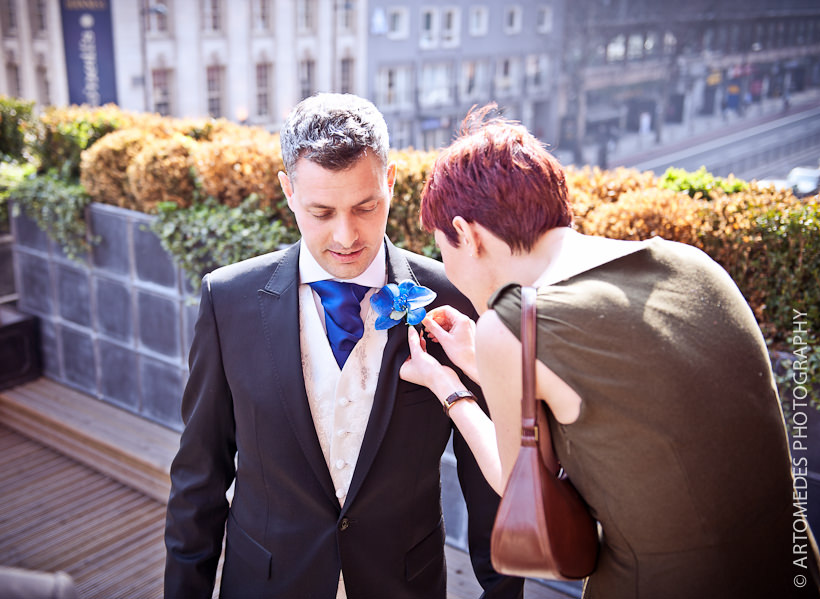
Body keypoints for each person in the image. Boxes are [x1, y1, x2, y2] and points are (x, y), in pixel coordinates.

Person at [400, 105, 820, 598]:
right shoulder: (693, 264)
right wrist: (481, 361)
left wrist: (449, 387)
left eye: (443, 249)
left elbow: (516, 485)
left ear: (468, 235)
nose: (446, 268)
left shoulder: (511, 327)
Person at [163, 94, 525, 599]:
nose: (346, 234)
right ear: (289, 192)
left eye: (365, 206)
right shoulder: (228, 301)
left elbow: (489, 484)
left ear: (390, 181)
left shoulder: (454, 300)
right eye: (321, 211)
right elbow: (200, 478)